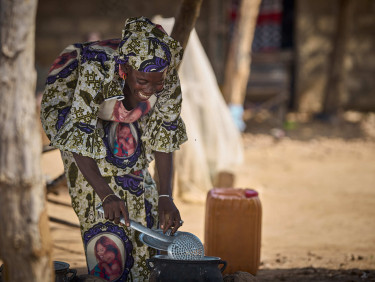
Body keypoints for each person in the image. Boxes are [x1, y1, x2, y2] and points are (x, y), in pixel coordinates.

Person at [41, 16, 187, 281]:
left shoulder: (166, 75)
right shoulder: (95, 71)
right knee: (100, 209)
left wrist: (166, 196)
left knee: (140, 186)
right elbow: (79, 135)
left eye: (157, 83)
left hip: (123, 107)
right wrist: (106, 194)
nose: (151, 89)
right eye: (143, 81)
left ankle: (141, 273)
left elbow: (165, 138)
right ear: (126, 70)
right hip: (73, 105)